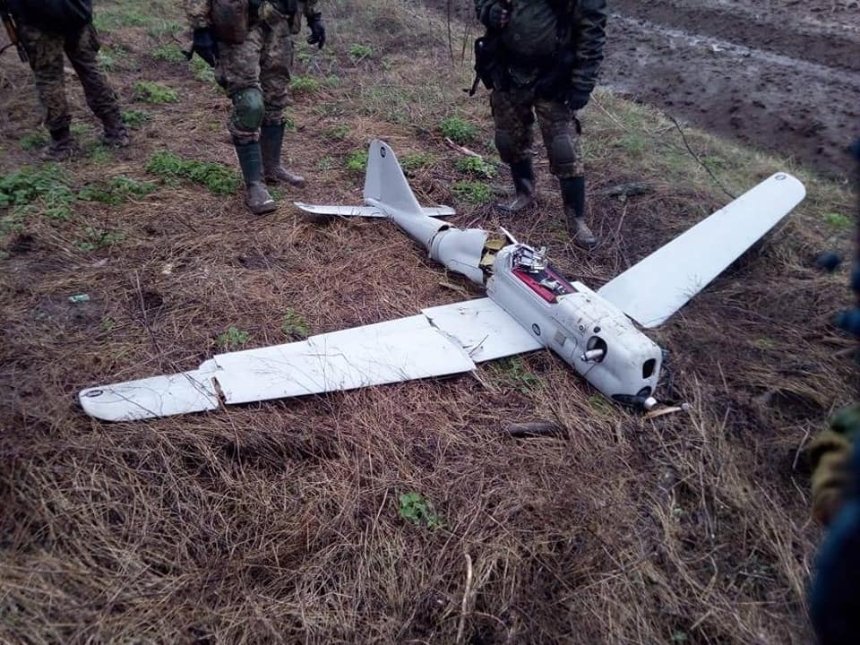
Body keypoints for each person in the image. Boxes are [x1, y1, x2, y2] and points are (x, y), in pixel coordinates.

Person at [473, 0, 607, 248]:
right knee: (508, 139)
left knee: (564, 149)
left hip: (555, 75)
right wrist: (488, 10)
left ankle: (575, 218)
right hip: (508, 68)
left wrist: (582, 83)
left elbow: (593, 33)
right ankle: (524, 193)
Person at [185, 0, 325, 215]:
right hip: (241, 26)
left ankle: (272, 168)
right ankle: (254, 185)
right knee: (249, 104)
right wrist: (200, 26)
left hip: (280, 24)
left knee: (276, 98)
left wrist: (314, 16)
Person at [5, 0, 129, 159]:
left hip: (37, 20)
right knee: (90, 70)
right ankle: (116, 130)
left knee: (49, 78)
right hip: (75, 12)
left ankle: (62, 143)